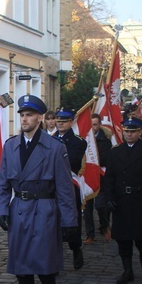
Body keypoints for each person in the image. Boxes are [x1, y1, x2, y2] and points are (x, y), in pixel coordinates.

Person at [0, 95, 77, 284]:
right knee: (21, 266)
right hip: (19, 209)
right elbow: (2, 183)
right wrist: (1, 209)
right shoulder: (11, 146)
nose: (24, 119)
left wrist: (69, 222)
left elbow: (64, 188)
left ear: (40, 118)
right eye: (22, 115)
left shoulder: (54, 148)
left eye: (29, 115)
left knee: (45, 264)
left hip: (44, 210)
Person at [103, 117, 142, 284]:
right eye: (126, 131)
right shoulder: (115, 152)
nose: (129, 134)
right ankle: (127, 270)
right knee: (123, 238)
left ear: (139, 132)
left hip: (141, 198)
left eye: (133, 131)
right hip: (122, 200)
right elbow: (109, 179)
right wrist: (109, 198)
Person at [53, 107, 86, 270]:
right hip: (52, 186)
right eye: (58, 120)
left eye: (64, 121)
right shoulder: (49, 139)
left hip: (69, 184)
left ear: (71, 122)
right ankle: (55, 259)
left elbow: (72, 161)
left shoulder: (78, 141)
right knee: (53, 222)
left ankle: (75, 248)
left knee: (72, 221)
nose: (60, 123)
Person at [83, 113, 112, 244]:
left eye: (94, 124)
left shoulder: (105, 140)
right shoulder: (83, 139)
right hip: (87, 176)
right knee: (87, 208)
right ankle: (90, 234)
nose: (92, 127)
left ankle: (104, 226)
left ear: (99, 125)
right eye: (90, 124)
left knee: (100, 206)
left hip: (100, 176)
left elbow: (107, 159)